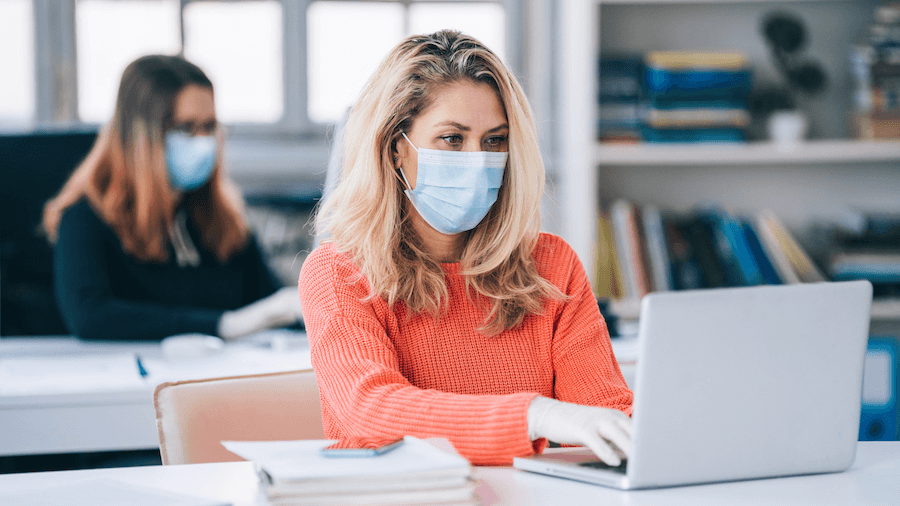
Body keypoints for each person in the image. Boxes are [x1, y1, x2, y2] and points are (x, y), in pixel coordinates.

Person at [298, 31, 633, 466]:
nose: (478, 159)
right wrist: (534, 414)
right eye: (453, 139)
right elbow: (370, 412)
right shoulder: (337, 272)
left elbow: (604, 413)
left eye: (494, 140)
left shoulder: (551, 265)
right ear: (397, 148)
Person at [43, 54, 301, 341]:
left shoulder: (222, 220)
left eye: (209, 127)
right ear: (143, 135)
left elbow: (272, 302)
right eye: (186, 128)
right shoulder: (85, 217)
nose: (202, 142)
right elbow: (91, 317)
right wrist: (225, 325)